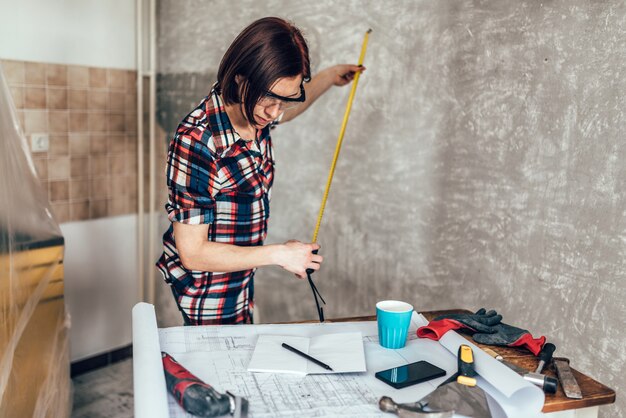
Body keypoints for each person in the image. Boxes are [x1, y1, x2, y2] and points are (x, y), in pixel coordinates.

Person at [156, 17, 364, 325]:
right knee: (219, 370)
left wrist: (330, 77)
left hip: (241, 280)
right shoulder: (197, 140)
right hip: (207, 291)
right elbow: (193, 252)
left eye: (286, 101)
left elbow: (286, 107)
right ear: (241, 79)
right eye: (269, 99)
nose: (274, 113)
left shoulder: (258, 113)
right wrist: (279, 254)